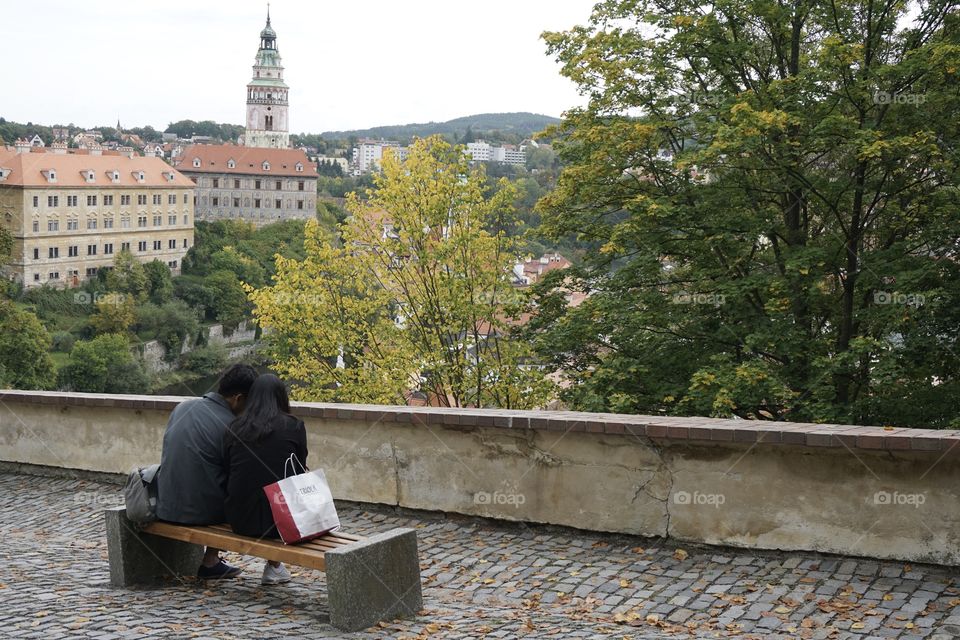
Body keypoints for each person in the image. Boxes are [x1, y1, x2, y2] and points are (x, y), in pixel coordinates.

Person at [155, 363, 259, 580]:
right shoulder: (232, 426)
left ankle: (212, 561)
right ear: (239, 398)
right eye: (251, 402)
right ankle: (210, 561)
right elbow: (237, 480)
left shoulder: (182, 408)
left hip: (166, 504)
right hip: (199, 512)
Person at [224, 373, 307, 586]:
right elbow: (298, 468)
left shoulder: (235, 427)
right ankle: (274, 567)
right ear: (281, 397)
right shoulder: (293, 425)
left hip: (240, 519)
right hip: (282, 521)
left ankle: (275, 567)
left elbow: (228, 469)